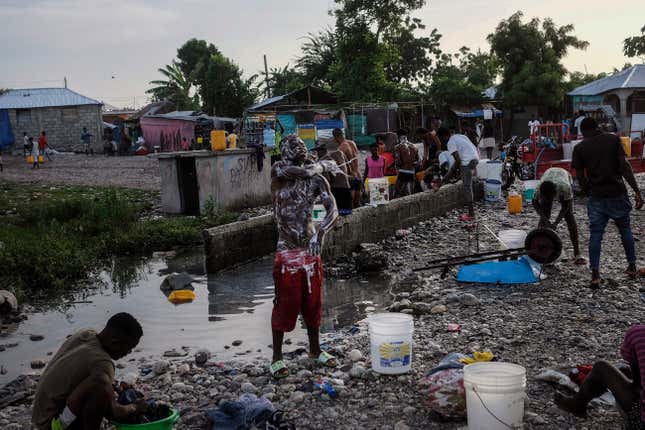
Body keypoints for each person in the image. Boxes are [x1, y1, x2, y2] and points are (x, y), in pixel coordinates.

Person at [270, 134, 339, 378]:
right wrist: (322, 165)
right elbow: (299, 172)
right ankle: (276, 357)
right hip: (286, 249)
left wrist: (319, 236)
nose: (296, 149)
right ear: (284, 152)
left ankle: (315, 350)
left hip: (309, 249)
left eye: (299, 145)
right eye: (291, 146)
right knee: (284, 303)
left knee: (313, 302)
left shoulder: (316, 180)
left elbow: (333, 209)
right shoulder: (278, 171)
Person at [32, 313, 146, 430]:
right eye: (129, 348)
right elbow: (113, 411)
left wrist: (114, 388)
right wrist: (134, 407)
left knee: (101, 382)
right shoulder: (103, 362)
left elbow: (80, 372)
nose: (128, 353)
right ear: (115, 342)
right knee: (100, 386)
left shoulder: (86, 334)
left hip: (40, 415)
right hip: (51, 425)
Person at [572, 117, 644, 288]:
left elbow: (580, 177)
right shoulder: (613, 139)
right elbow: (624, 167)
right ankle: (632, 267)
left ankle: (595, 275)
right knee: (625, 230)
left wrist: (586, 190)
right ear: (597, 127)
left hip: (597, 196)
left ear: (583, 132)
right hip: (617, 192)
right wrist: (636, 191)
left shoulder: (580, 148)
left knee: (596, 234)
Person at [555, 324, 645, 429]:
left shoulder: (638, 333)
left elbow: (637, 384)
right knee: (623, 370)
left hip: (641, 423)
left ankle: (577, 405)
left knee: (601, 368)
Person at [532, 167, 585, 264]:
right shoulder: (539, 189)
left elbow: (565, 207)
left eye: (550, 198)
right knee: (545, 213)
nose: (548, 200)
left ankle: (577, 252)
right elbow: (535, 203)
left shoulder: (565, 188)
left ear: (555, 193)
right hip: (548, 173)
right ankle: (540, 249)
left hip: (564, 175)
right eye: (545, 198)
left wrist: (556, 223)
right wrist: (545, 219)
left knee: (569, 217)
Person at [436, 127, 480, 221]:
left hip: (467, 162)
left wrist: (447, 176)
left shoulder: (450, 142)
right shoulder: (460, 136)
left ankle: (471, 214)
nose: (441, 141)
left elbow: (458, 160)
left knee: (467, 187)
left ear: (444, 136)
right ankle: (471, 213)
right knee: (467, 184)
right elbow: (469, 149)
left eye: (440, 138)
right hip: (475, 159)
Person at [314, 141, 353, 216]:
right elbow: (349, 170)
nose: (317, 154)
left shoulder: (323, 162)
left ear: (321, 151)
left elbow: (327, 180)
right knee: (348, 214)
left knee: (337, 215)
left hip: (336, 190)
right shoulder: (339, 153)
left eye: (317, 152)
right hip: (347, 187)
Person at [332, 128, 361, 208]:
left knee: (350, 204)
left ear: (335, 137)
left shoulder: (340, 149)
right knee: (357, 204)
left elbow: (340, 167)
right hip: (358, 175)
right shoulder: (352, 143)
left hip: (351, 177)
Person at [393, 128, 419, 198]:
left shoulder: (397, 147)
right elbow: (417, 161)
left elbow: (398, 161)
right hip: (412, 171)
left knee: (397, 193)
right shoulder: (414, 146)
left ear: (398, 136)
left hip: (402, 171)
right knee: (410, 193)